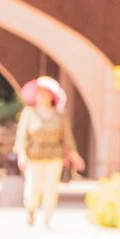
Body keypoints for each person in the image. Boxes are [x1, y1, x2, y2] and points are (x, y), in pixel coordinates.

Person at [17, 78, 79, 229]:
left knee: (51, 188)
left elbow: (67, 137)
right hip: (34, 156)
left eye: (45, 93)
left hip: (54, 156)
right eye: (39, 93)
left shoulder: (60, 115)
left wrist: (74, 155)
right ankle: (31, 209)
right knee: (33, 187)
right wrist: (22, 155)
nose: (41, 96)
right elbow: (21, 136)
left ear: (52, 95)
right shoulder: (29, 113)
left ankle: (47, 217)